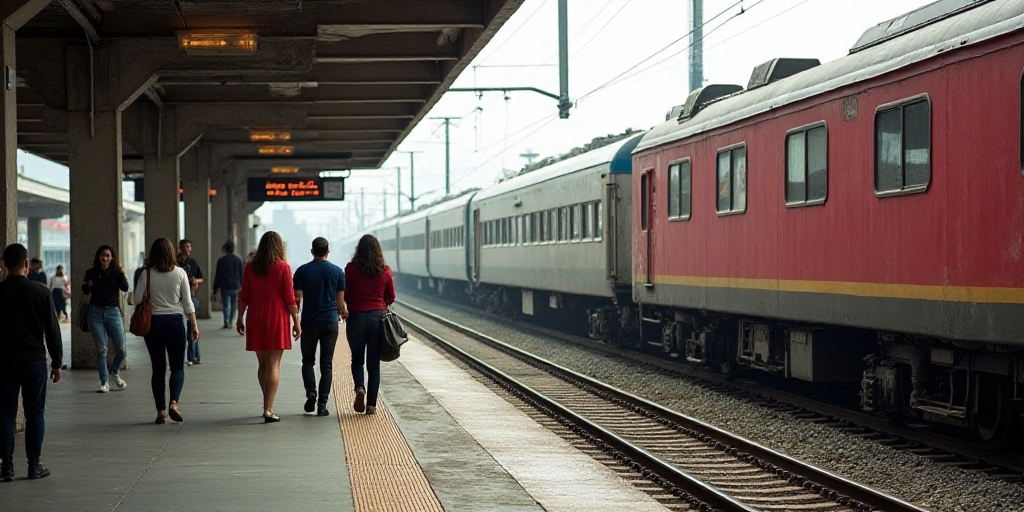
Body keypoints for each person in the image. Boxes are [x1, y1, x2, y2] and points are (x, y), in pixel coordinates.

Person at [0, 243, 62, 481]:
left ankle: (6, 466)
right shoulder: (41, 292)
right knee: (35, 413)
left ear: (4, 264)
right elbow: (52, 331)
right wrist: (56, 362)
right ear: (27, 263)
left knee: (5, 413)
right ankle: (34, 465)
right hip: (34, 361)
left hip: (5, 362)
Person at [236, 231, 300, 423]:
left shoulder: (250, 267)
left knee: (263, 364)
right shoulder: (283, 266)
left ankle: (267, 403)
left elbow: (244, 295)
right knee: (273, 364)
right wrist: (296, 321)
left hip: (256, 313)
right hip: (277, 314)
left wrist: (239, 317)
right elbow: (289, 297)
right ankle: (268, 408)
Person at [135, 238, 198, 425]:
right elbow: (188, 302)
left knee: (158, 368)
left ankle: (160, 412)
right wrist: (194, 325)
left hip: (153, 324)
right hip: (175, 323)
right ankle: (173, 403)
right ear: (172, 252)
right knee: (177, 366)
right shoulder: (180, 273)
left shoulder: (146, 274)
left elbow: (137, 299)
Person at [293, 237, 345, 417]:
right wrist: (343, 312)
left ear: (312, 251)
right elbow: (340, 302)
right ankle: (322, 404)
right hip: (330, 322)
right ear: (327, 252)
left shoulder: (302, 271)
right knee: (327, 365)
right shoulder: (337, 272)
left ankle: (311, 393)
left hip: (309, 322)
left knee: (307, 361)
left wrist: (295, 321)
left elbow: (297, 300)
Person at [343, 234, 395, 416]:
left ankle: (359, 388)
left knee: (357, 358)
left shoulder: (350, 269)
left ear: (359, 249)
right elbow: (391, 296)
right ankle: (371, 404)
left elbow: (346, 294)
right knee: (374, 363)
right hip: (378, 320)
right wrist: (382, 303)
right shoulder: (385, 270)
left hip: (356, 318)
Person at [82, 245, 129, 393]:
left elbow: (125, 287)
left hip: (113, 312)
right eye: (102, 255)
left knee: (121, 349)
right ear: (98, 257)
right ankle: (104, 382)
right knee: (102, 349)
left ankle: (114, 371)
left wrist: (120, 273)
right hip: (95, 313)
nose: (105, 258)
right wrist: (88, 284)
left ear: (112, 258)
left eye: (108, 256)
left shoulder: (116, 272)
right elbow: (85, 290)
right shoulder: (91, 273)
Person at [178, 240, 203, 365]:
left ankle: (193, 355)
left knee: (192, 326)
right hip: (178, 297)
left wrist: (195, 281)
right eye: (185, 247)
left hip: (191, 295)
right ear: (180, 249)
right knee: (186, 327)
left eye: (189, 246)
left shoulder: (193, 263)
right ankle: (190, 355)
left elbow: (200, 277)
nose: (187, 249)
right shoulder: (175, 263)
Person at [211, 240, 244, 330]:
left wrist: (215, 289)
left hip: (225, 287)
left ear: (225, 249)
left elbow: (218, 276)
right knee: (233, 305)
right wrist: (243, 287)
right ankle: (230, 321)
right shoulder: (239, 260)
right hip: (236, 286)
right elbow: (241, 275)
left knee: (226, 305)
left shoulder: (221, 261)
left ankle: (226, 321)